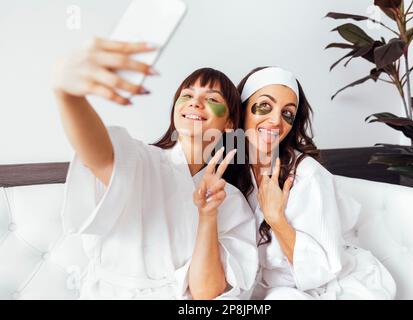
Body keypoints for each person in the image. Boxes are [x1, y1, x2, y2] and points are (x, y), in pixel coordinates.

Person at [52, 37, 258, 300]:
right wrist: (68, 97)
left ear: (229, 123)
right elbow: (99, 159)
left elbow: (207, 294)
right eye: (187, 96)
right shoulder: (141, 160)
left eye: (211, 99)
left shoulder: (230, 201)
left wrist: (208, 215)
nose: (195, 103)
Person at [226, 66, 396, 299]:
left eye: (287, 113)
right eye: (264, 106)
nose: (276, 121)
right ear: (242, 110)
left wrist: (276, 219)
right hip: (261, 288)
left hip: (327, 287)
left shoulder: (307, 175)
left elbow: (321, 269)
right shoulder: (232, 169)